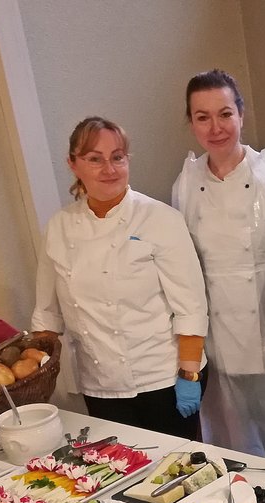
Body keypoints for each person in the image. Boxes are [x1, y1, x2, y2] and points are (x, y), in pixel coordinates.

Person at [32, 116, 208, 439]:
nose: (109, 169)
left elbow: (191, 307)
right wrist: (34, 370)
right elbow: (47, 313)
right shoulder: (58, 227)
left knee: (176, 466)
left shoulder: (160, 219)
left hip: (164, 378)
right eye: (94, 159)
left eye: (117, 157)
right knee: (118, 464)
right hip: (100, 384)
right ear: (73, 164)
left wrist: (190, 374)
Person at [172, 69, 265, 467]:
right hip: (215, 342)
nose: (215, 128)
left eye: (224, 114)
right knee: (230, 445)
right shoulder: (185, 183)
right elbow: (186, 271)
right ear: (191, 122)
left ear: (241, 114)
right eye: (202, 117)